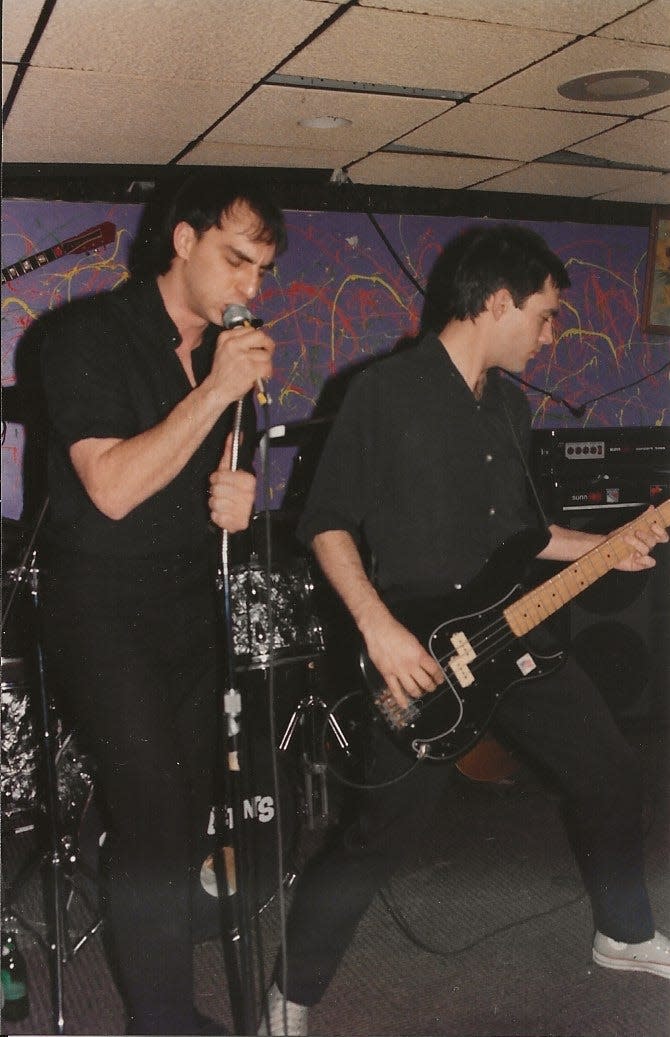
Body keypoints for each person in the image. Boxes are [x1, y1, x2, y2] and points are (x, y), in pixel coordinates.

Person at [258, 224, 670, 1036]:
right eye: (545, 315)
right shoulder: (383, 391)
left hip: (510, 630)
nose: (552, 335)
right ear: (495, 302)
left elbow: (525, 532)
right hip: (413, 645)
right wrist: (378, 630)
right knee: (379, 836)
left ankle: (623, 932)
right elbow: (327, 521)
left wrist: (610, 546)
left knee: (612, 769)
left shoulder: (511, 405)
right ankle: (293, 992)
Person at [39, 172, 286, 1035]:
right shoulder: (82, 338)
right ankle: (162, 1023)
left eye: (262, 270)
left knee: (182, 823)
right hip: (101, 610)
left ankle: (169, 1006)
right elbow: (110, 486)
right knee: (148, 816)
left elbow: (205, 490)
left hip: (189, 606)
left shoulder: (221, 363)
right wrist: (214, 391)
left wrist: (239, 497)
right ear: (181, 241)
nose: (251, 289)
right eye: (236, 260)